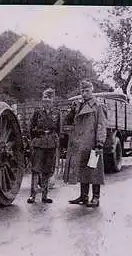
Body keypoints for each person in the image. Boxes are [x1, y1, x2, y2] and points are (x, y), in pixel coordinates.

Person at [63, 79, 108, 207]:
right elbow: (69, 121)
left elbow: (101, 125)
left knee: (94, 170)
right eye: (82, 91)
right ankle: (84, 196)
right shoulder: (78, 106)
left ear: (92, 91)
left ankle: (96, 198)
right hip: (80, 144)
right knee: (83, 170)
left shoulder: (98, 106)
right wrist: (71, 111)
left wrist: (99, 142)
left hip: (92, 144)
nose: (84, 93)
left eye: (87, 91)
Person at [27, 88, 61, 204]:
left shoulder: (57, 112)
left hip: (51, 143)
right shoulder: (37, 112)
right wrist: (35, 140)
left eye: (48, 98)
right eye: (44, 97)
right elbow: (30, 128)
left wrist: (55, 141)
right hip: (39, 142)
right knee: (36, 169)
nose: (46, 100)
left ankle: (45, 196)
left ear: (52, 99)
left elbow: (58, 129)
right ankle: (33, 195)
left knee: (47, 170)